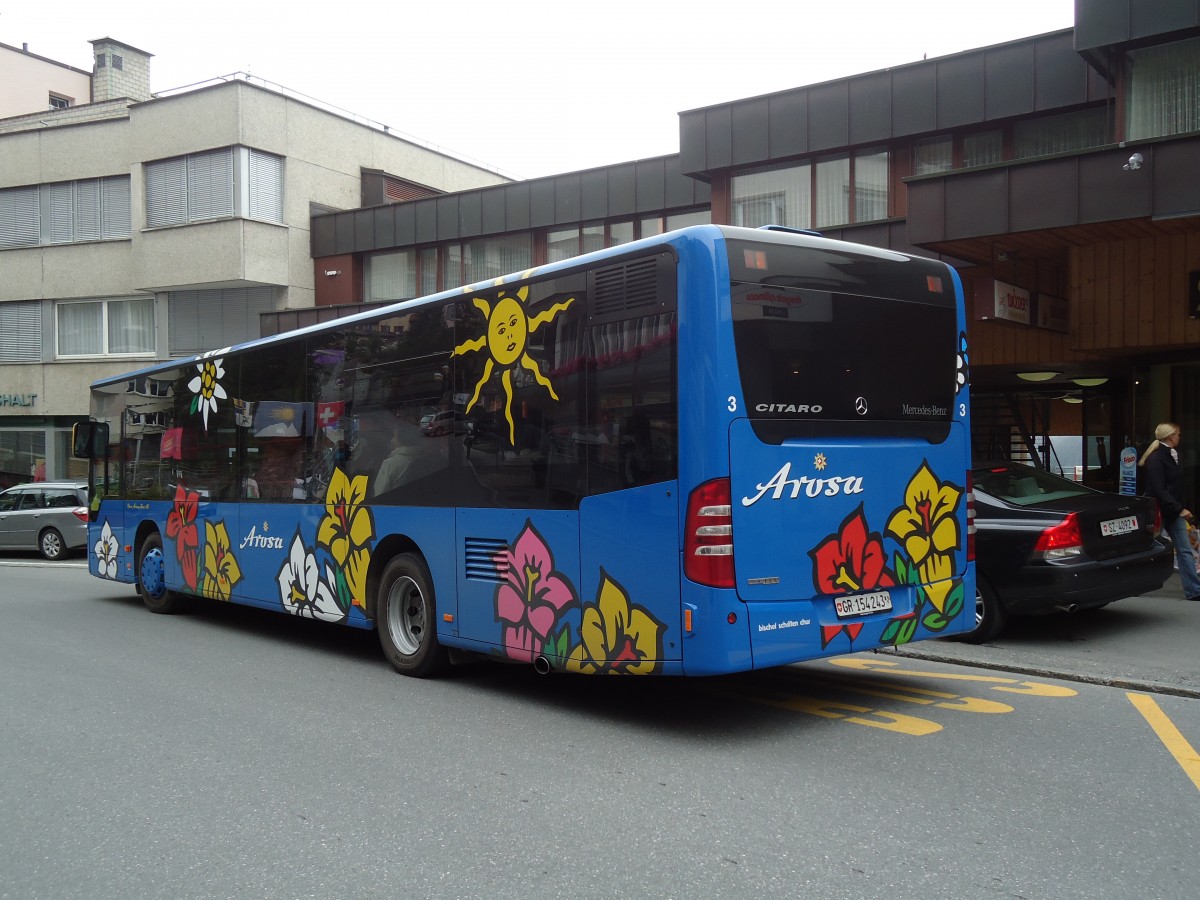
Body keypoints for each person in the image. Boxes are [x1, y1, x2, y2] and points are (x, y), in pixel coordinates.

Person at [1139, 422, 1200, 601]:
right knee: (1149, 548)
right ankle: (1135, 583)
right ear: (1170, 436)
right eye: (1178, 434)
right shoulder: (1157, 458)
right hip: (1162, 510)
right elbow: (1160, 489)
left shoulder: (1168, 455)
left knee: (1184, 550)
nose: (1179, 437)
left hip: (1171, 509)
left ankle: (1194, 590)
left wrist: (1178, 508)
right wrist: (1179, 508)